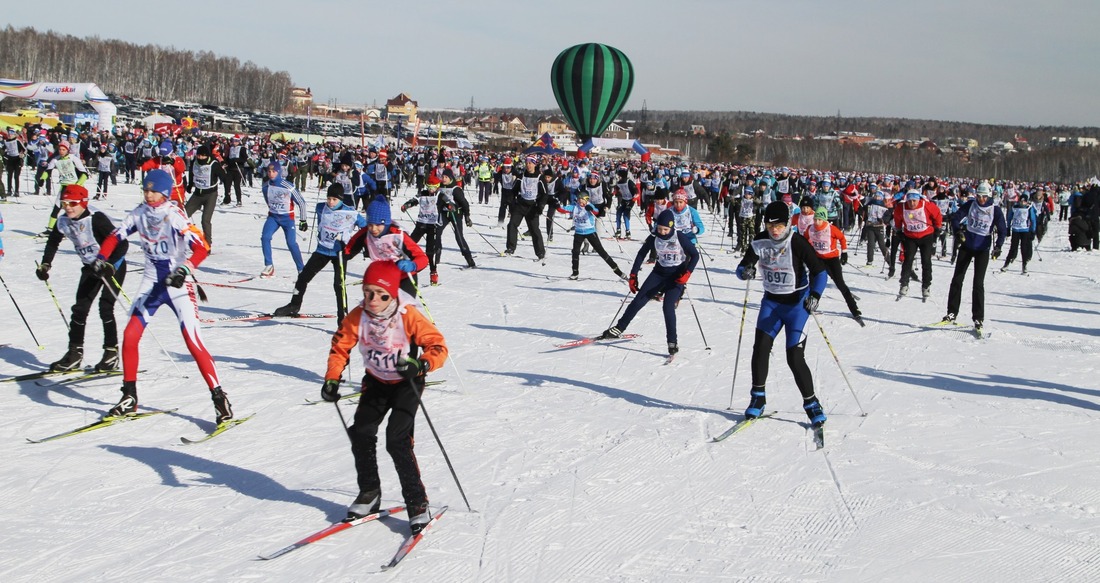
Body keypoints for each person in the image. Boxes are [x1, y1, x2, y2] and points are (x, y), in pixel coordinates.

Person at [93, 169, 232, 423]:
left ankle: (219, 397)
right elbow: (116, 236)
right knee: (130, 335)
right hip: (151, 282)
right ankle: (129, 395)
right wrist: (101, 259)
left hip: (177, 283)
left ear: (165, 192)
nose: (148, 195)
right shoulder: (140, 213)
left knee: (192, 340)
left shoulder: (174, 214)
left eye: (152, 191)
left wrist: (184, 269)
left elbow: (202, 247)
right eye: (145, 190)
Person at [321, 260, 448, 534]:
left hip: (406, 383)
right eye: (368, 293)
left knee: (397, 440)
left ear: (393, 294)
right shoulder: (358, 315)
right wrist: (332, 378)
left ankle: (417, 503)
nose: (374, 300)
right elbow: (340, 346)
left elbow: (437, 345)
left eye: (382, 295)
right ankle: (370, 493)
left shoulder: (408, 315)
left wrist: (422, 364)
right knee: (361, 432)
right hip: (376, 382)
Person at [735, 201, 829, 427]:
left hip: (797, 305)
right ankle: (758, 396)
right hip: (772, 303)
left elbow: (820, 272)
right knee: (760, 348)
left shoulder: (797, 242)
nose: (774, 230)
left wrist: (815, 295)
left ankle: (811, 403)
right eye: (770, 225)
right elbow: (742, 267)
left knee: (794, 357)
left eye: (779, 225)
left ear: (788, 224)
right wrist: (744, 271)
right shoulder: (759, 241)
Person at [37, 184, 129, 372]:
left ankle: (111, 354)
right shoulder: (63, 221)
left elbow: (122, 244)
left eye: (73, 203)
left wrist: (110, 265)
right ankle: (74, 354)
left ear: (84, 203)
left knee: (105, 307)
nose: (68, 207)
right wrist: (46, 264)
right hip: (90, 267)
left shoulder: (96, 219)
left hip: (113, 265)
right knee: (79, 310)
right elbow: (53, 241)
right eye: (64, 203)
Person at [597, 209, 699, 356]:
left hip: (676, 275)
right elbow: (641, 254)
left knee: (667, 307)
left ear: (671, 227)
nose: (662, 232)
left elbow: (695, 255)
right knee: (639, 300)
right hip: (659, 273)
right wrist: (633, 275)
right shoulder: (654, 237)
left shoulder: (679, 237)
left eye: (665, 229)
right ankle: (619, 328)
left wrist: (687, 273)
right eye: (659, 228)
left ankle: (672, 342)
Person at [273, 183, 367, 320]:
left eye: (334, 199)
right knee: (303, 277)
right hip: (322, 250)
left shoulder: (350, 212)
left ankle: (343, 316)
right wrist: (304, 223)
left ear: (341, 199)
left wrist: (360, 245)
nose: (331, 202)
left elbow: (365, 228)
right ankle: (294, 305)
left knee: (339, 285)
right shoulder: (320, 207)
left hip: (340, 253)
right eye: (329, 198)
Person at [941, 181, 1006, 333]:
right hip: (967, 246)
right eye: (979, 196)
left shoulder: (995, 210)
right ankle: (951, 313)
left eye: (984, 197)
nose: (981, 199)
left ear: (989, 196)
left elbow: (1002, 230)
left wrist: (998, 246)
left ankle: (978, 318)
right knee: (957, 278)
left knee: (978, 283)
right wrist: (958, 231)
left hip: (982, 249)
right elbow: (956, 218)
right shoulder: (971, 205)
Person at [344, 195, 429, 300]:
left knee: (404, 309)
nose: (373, 229)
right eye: (370, 224)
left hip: (404, 276)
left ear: (387, 223)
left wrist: (413, 265)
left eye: (378, 225)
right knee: (378, 309)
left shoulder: (398, 235)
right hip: (382, 277)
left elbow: (422, 258)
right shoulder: (366, 233)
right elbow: (349, 250)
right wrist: (340, 251)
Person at [803, 206, 862, 325]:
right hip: (818, 259)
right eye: (815, 219)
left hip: (832, 260)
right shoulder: (810, 228)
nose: (816, 222)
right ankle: (809, 305)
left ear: (824, 220)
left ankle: (854, 309)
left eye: (819, 220)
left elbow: (842, 238)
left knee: (840, 284)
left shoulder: (831, 229)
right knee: (813, 283)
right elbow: (805, 240)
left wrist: (844, 253)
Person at [553, 192, 626, 280]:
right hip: (579, 233)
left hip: (590, 232)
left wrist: (590, 208)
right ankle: (575, 272)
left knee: (601, 252)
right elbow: (562, 210)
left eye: (583, 199)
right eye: (579, 199)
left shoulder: (589, 206)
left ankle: (617, 270)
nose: (581, 201)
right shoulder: (575, 207)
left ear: (586, 199)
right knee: (575, 252)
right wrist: (556, 205)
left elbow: (596, 211)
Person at [259, 161, 308, 278]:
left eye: (274, 171)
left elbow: (301, 202)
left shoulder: (288, 186)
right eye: (269, 171)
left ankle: (301, 269)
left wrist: (303, 220)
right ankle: (269, 265)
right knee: (265, 237)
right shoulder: (266, 186)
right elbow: (268, 201)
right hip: (273, 217)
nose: (271, 174)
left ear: (279, 172)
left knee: (291, 243)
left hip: (287, 218)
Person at [893, 188, 943, 300]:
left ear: (918, 199)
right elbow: (897, 219)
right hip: (910, 237)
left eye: (914, 201)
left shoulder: (926, 205)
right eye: (910, 201)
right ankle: (904, 284)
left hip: (926, 236)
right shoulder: (901, 207)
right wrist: (898, 230)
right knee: (908, 260)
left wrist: (938, 227)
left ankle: (926, 286)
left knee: (926, 261)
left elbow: (937, 214)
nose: (912, 203)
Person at [401, 174, 450, 285]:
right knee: (409, 245)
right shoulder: (422, 194)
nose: (430, 189)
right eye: (429, 187)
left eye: (433, 187)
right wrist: (407, 205)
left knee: (429, 252)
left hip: (433, 226)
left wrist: (451, 207)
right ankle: (401, 268)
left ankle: (433, 272)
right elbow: (414, 200)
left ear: (437, 186)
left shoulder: (440, 195)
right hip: (421, 224)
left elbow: (449, 203)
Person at [38, 141, 88, 235]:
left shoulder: (74, 159)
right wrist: (42, 179)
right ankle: (50, 229)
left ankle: (80, 228)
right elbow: (48, 170)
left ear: (67, 150)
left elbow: (84, 174)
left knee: (75, 210)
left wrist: (77, 185)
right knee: (56, 208)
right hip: (64, 188)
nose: (61, 151)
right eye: (60, 149)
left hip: (75, 189)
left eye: (63, 149)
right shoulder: (56, 160)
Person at [185, 145, 229, 248]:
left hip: (210, 195)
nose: (200, 158)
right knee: (184, 216)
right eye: (199, 155)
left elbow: (225, 178)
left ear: (207, 156)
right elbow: (192, 174)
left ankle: (207, 244)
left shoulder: (213, 164)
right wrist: (190, 184)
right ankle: (182, 240)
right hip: (197, 194)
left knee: (205, 220)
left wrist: (227, 194)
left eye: (202, 156)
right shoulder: (195, 162)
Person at [504, 156, 546, 260]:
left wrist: (540, 206)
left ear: (534, 164)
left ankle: (540, 253)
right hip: (521, 204)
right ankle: (510, 248)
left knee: (534, 230)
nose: (528, 165)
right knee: (512, 224)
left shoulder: (540, 177)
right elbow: (514, 190)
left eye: (530, 163)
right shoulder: (521, 176)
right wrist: (510, 201)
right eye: (527, 163)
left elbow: (544, 194)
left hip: (533, 206)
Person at [1000, 192, 1037, 273]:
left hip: (1025, 230)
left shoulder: (1029, 208)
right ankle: (1006, 264)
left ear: (1027, 202)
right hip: (1016, 229)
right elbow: (1009, 218)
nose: (1022, 203)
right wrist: (1008, 228)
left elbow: (1033, 220)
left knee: (1024, 248)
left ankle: (1024, 265)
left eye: (1024, 201)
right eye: (1021, 201)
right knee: (1013, 248)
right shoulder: (1015, 207)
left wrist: (1033, 231)